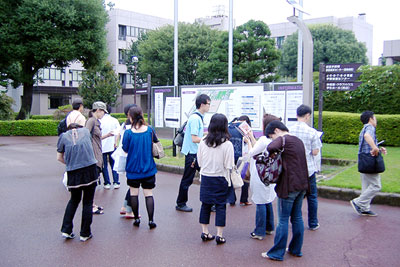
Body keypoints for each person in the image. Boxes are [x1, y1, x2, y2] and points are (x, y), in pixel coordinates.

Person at [261, 120, 309, 261]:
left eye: (271, 136)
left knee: (282, 220)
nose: (272, 139)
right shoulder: (297, 141)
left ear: (276, 130)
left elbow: (270, 148)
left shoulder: (283, 140)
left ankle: (276, 253)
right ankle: (295, 249)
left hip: (289, 185)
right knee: (297, 217)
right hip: (302, 184)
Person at [197, 113, 234, 244]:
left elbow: (199, 161)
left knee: (205, 205)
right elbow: (229, 165)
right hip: (221, 178)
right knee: (220, 206)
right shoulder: (227, 144)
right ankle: (219, 235)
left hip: (206, 177)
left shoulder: (203, 141)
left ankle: (205, 232)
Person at [57, 123, 98, 242]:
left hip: (73, 172)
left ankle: (66, 229)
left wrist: (70, 163)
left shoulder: (63, 137)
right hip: (90, 169)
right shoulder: (85, 132)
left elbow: (59, 157)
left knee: (74, 200)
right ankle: (85, 233)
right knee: (88, 202)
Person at [122, 106, 158, 229]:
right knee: (148, 194)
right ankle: (151, 220)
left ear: (130, 117)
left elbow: (125, 148)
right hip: (148, 168)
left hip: (133, 168)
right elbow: (156, 142)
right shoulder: (149, 130)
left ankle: (136, 218)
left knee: (134, 193)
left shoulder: (128, 133)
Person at [247, 114, 280, 240]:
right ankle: (269, 227)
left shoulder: (263, 140)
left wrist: (248, 142)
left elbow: (252, 152)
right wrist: (251, 137)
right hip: (270, 173)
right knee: (267, 200)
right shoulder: (274, 140)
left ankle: (259, 231)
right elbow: (259, 148)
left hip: (260, 173)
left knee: (260, 200)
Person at [289, 104, 322, 231]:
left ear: (297, 115)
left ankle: (295, 219)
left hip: (293, 169)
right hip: (308, 169)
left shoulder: (290, 130)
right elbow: (315, 151)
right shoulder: (312, 132)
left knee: (294, 196)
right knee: (312, 196)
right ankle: (313, 223)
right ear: (307, 116)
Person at [175, 94, 211, 212]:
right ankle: (181, 203)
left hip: (195, 153)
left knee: (206, 176)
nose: (209, 106)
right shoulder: (195, 118)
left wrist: (209, 134)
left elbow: (198, 136)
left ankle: (210, 203)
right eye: (208, 104)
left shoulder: (197, 117)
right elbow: (195, 138)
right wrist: (209, 139)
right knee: (188, 179)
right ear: (202, 105)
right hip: (193, 154)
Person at [350, 111, 387, 216]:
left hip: (364, 160)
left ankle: (364, 208)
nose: (376, 120)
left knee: (366, 187)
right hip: (370, 162)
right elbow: (367, 136)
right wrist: (375, 147)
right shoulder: (370, 128)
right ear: (371, 119)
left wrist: (378, 149)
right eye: (374, 117)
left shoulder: (364, 128)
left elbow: (367, 144)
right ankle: (358, 202)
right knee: (376, 185)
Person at [86, 101, 114, 214]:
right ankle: (91, 205)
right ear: (98, 110)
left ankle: (92, 203)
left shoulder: (95, 121)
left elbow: (95, 137)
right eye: (103, 112)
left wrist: (107, 135)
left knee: (95, 181)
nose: (103, 114)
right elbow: (86, 136)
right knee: (92, 182)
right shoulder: (91, 121)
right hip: (93, 156)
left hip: (96, 154)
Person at [117, 104, 139, 219]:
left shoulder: (124, 125)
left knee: (132, 185)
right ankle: (129, 210)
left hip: (124, 157)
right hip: (131, 158)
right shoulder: (132, 127)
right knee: (134, 186)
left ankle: (125, 207)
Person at [226, 115, 252, 206]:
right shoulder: (245, 128)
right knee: (245, 177)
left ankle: (232, 199)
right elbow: (248, 141)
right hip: (243, 156)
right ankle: (244, 199)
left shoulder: (229, 127)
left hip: (231, 155)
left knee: (231, 176)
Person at [100, 105, 121, 189]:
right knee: (114, 165)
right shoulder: (114, 120)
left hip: (102, 146)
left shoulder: (99, 121)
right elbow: (118, 132)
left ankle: (107, 183)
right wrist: (116, 141)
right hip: (112, 145)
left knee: (104, 165)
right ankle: (116, 182)